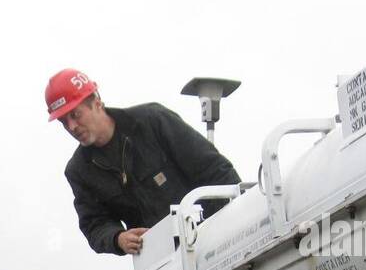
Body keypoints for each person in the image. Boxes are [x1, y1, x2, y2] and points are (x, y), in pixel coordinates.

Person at [46, 68, 240, 257]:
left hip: (213, 239)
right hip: (157, 263)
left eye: (75, 115)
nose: (71, 126)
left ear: (96, 102)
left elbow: (216, 171)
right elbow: (94, 223)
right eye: (64, 121)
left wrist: (236, 221)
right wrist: (117, 238)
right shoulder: (79, 171)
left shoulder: (152, 121)